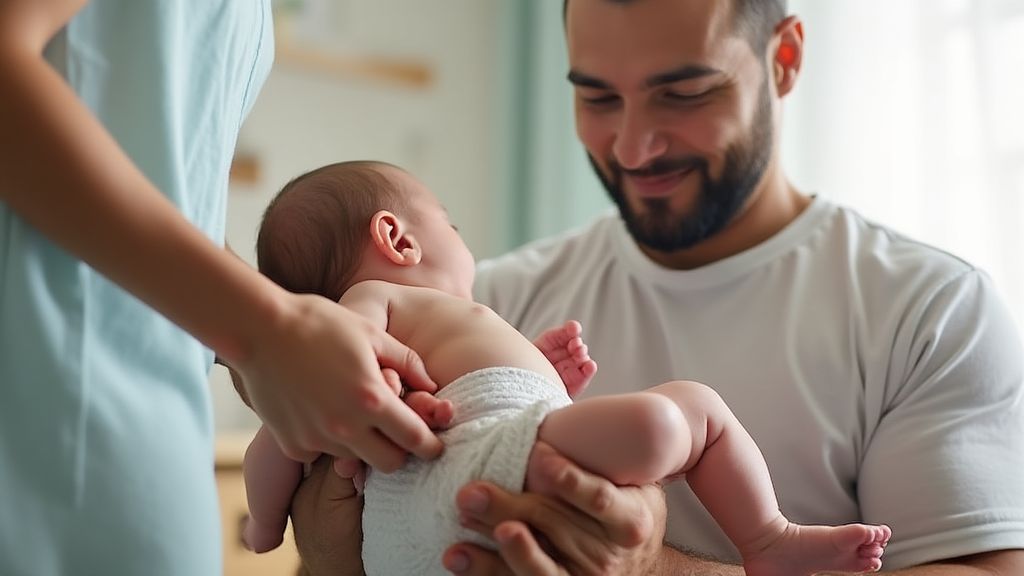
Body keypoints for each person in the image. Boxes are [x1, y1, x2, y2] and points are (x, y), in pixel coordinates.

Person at [290, 0, 1024, 575]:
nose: (633, 148)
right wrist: (328, 557)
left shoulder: (930, 311)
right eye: (599, 99)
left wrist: (655, 571)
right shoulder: (482, 308)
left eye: (683, 93)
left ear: (785, 60)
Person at [245, 159, 891, 576]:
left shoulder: (425, 329)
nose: (465, 244)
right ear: (399, 239)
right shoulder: (379, 303)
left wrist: (267, 523)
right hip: (487, 465)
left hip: (399, 543)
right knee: (685, 414)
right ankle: (768, 537)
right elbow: (348, 361)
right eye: (454, 225)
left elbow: (278, 436)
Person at [0, 2, 443, 574]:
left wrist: (267, 344)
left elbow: (175, 195)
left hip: (143, 435)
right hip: (41, 409)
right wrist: (264, 331)